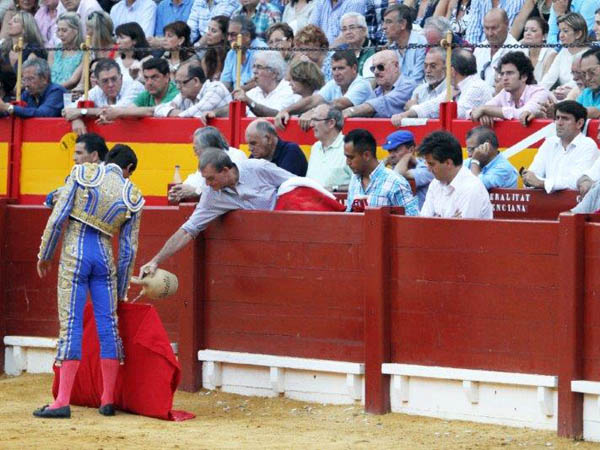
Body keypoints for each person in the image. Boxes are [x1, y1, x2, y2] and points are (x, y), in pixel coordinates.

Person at [34, 144, 143, 419]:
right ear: (128, 169)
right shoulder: (132, 194)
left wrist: (45, 254)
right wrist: (121, 293)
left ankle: (62, 402)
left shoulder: (84, 173)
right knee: (109, 326)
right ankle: (107, 400)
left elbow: (58, 217)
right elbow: (129, 249)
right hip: (105, 260)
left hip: (75, 254)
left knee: (71, 324)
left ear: (106, 159)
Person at [139, 149, 294, 277]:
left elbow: (298, 185)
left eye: (211, 178)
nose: (207, 184)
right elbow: (187, 231)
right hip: (259, 255)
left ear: (226, 170)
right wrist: (155, 260)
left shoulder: (259, 168)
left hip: (290, 239)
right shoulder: (211, 195)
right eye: (205, 179)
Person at [274, 50, 373, 130]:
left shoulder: (362, 84)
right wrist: (286, 111)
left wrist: (314, 112)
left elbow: (340, 103)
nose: (336, 73)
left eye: (341, 68)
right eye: (334, 69)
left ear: (354, 68)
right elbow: (313, 100)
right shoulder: (334, 83)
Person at [392, 48, 493, 122]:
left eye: (447, 68)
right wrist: (404, 115)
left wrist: (412, 107)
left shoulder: (476, 87)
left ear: (452, 71)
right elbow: (433, 105)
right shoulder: (455, 87)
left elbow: (458, 114)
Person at [522, 100, 599, 193]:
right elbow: (533, 174)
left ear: (579, 123)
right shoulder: (549, 142)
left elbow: (577, 181)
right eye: (557, 118)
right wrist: (530, 179)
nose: (559, 122)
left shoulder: (588, 145)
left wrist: (542, 183)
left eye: (565, 118)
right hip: (546, 202)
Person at [418, 130, 493, 219]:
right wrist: (448, 223)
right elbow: (423, 224)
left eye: (432, 164)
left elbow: (461, 231)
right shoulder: (435, 184)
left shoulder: (471, 188)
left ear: (448, 163)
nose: (428, 169)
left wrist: (438, 222)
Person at [344, 129, 419, 215]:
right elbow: (349, 216)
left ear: (366, 155)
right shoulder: (355, 179)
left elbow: (412, 220)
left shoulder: (396, 182)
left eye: (351, 157)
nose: (347, 162)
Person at [471, 51, 552, 126]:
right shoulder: (504, 93)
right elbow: (477, 110)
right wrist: (483, 113)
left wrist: (486, 110)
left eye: (510, 73)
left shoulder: (540, 92)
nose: (504, 78)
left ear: (524, 76)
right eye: (502, 74)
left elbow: (522, 114)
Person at [65, 58, 145, 135]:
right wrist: (76, 119)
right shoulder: (96, 90)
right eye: (105, 81)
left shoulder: (134, 87)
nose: (110, 84)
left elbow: (115, 110)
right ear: (97, 82)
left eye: (114, 79)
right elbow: (67, 110)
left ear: (121, 77)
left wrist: (81, 112)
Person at [168, 126, 247, 202]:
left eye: (196, 149)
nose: (195, 154)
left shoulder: (236, 156)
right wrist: (178, 192)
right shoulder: (208, 160)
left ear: (209, 148)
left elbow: (227, 190)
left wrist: (197, 191)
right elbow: (196, 180)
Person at [96, 57, 178, 122]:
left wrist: (118, 112)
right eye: (146, 78)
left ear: (167, 77)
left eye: (154, 77)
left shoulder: (176, 92)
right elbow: (130, 110)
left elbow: (157, 111)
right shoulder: (146, 94)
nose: (149, 83)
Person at [342, 49, 417, 119]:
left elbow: (384, 102)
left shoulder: (408, 86)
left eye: (380, 67)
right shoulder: (376, 92)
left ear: (396, 66)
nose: (376, 72)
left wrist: (351, 111)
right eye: (373, 68)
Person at [44, 132, 110, 207]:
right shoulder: (85, 174)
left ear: (94, 155)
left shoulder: (106, 177)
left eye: (79, 153)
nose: (74, 158)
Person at [154, 62, 231, 117]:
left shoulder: (215, 89)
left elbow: (191, 115)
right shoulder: (185, 95)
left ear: (196, 81)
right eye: (177, 82)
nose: (178, 87)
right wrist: (172, 111)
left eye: (181, 83)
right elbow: (158, 109)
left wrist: (172, 112)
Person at [540, 12, 589, 97]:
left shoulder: (588, 55)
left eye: (565, 31)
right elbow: (549, 79)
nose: (561, 35)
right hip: (560, 95)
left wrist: (561, 90)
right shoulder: (563, 52)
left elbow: (579, 83)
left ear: (578, 34)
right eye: (560, 31)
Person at [473, 8, 525, 88]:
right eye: (486, 28)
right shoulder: (479, 49)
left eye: (494, 28)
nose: (490, 33)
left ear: (507, 24)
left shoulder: (518, 52)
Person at [305, 104, 352, 190]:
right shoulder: (315, 147)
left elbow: (362, 184)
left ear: (331, 123)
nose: (311, 124)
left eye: (315, 120)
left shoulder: (349, 147)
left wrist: (335, 189)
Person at [383, 130, 433, 210]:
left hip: (423, 218)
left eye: (396, 150)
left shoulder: (427, 167)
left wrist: (407, 156)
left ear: (411, 149)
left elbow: (398, 174)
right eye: (390, 151)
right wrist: (385, 161)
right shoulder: (392, 166)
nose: (391, 155)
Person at [0, 58, 64, 117]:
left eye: (30, 79)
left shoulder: (57, 92)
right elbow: (14, 110)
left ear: (45, 78)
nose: (26, 84)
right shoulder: (27, 93)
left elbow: (43, 114)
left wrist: (8, 107)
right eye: (24, 80)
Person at [381, 4, 426, 83]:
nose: (383, 27)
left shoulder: (421, 44)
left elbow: (416, 81)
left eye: (388, 22)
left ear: (402, 24)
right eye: (384, 22)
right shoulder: (390, 50)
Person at [220, 14, 266, 91]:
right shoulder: (231, 53)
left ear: (247, 36)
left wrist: (239, 91)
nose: (229, 39)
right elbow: (225, 83)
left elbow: (258, 83)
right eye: (228, 35)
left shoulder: (261, 50)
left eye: (233, 35)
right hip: (236, 97)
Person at [404, 46, 446, 111]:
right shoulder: (419, 90)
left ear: (445, 67)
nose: (428, 70)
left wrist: (414, 108)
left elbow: (439, 113)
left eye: (433, 66)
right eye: (425, 66)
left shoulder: (450, 90)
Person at [48, 12, 83, 89]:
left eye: (64, 30)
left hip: (69, 93)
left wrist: (53, 90)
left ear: (76, 31)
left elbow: (73, 80)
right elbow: (49, 76)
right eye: (58, 30)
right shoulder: (53, 51)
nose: (60, 34)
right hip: (51, 91)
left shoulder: (84, 53)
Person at [519, 16, 556, 83]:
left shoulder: (551, 54)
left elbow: (546, 84)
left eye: (533, 30)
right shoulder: (521, 52)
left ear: (544, 36)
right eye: (525, 30)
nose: (528, 33)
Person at [199, 15, 229, 81]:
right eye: (208, 29)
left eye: (213, 31)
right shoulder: (206, 57)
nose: (208, 34)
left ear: (224, 36)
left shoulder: (230, 56)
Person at [577, 48, 600, 118]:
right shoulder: (586, 93)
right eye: (584, 74)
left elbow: (594, 112)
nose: (587, 78)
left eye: (592, 72)